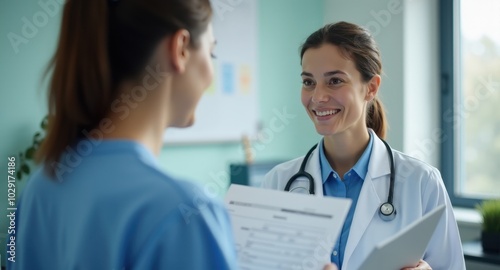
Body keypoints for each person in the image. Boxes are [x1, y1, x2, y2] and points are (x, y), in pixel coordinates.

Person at [7, 0, 236, 269]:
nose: (211, 72)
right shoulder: (186, 213)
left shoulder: (37, 190)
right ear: (181, 49)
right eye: (211, 53)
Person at [261, 22, 466, 270]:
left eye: (334, 81)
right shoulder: (278, 184)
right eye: (308, 82)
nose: (317, 97)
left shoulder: (422, 182)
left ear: (371, 88)